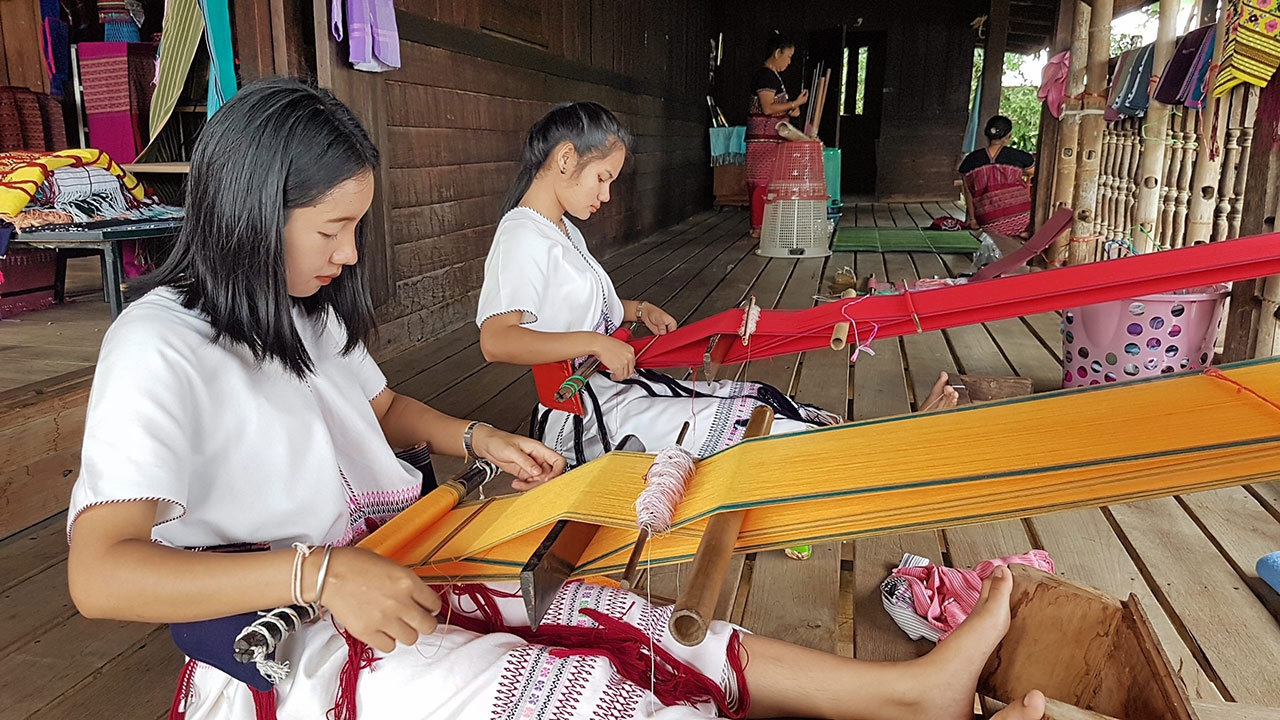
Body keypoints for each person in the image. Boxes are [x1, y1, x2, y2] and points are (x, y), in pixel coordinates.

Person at [67, 79, 1043, 720]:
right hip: (281, 648)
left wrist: (479, 436)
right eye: (332, 228)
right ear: (250, 209)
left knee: (619, 620)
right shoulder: (159, 346)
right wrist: (318, 576)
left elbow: (376, 411)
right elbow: (101, 577)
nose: (350, 255)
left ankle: (908, 696)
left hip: (385, 570)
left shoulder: (299, 310)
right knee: (561, 695)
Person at [477, 102, 958, 469]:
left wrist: (637, 310)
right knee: (734, 429)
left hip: (610, 388)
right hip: (581, 419)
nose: (606, 194)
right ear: (565, 159)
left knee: (751, 399)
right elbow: (497, 340)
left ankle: (878, 439)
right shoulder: (522, 234)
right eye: (602, 178)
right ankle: (890, 454)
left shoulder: (559, 228)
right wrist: (596, 343)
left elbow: (567, 303)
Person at [747, 34, 807, 239]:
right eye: (788, 56)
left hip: (771, 138)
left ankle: (763, 225)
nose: (789, 62)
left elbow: (776, 107)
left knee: (768, 182)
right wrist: (793, 104)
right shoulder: (766, 75)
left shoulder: (773, 76)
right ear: (777, 53)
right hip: (762, 139)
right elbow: (767, 107)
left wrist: (791, 110)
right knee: (760, 182)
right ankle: (758, 227)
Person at [959, 115, 1037, 239]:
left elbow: (968, 193)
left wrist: (973, 219)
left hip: (988, 222)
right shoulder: (1018, 157)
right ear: (1008, 137)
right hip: (1023, 219)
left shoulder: (970, 161)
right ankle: (1021, 232)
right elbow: (1035, 173)